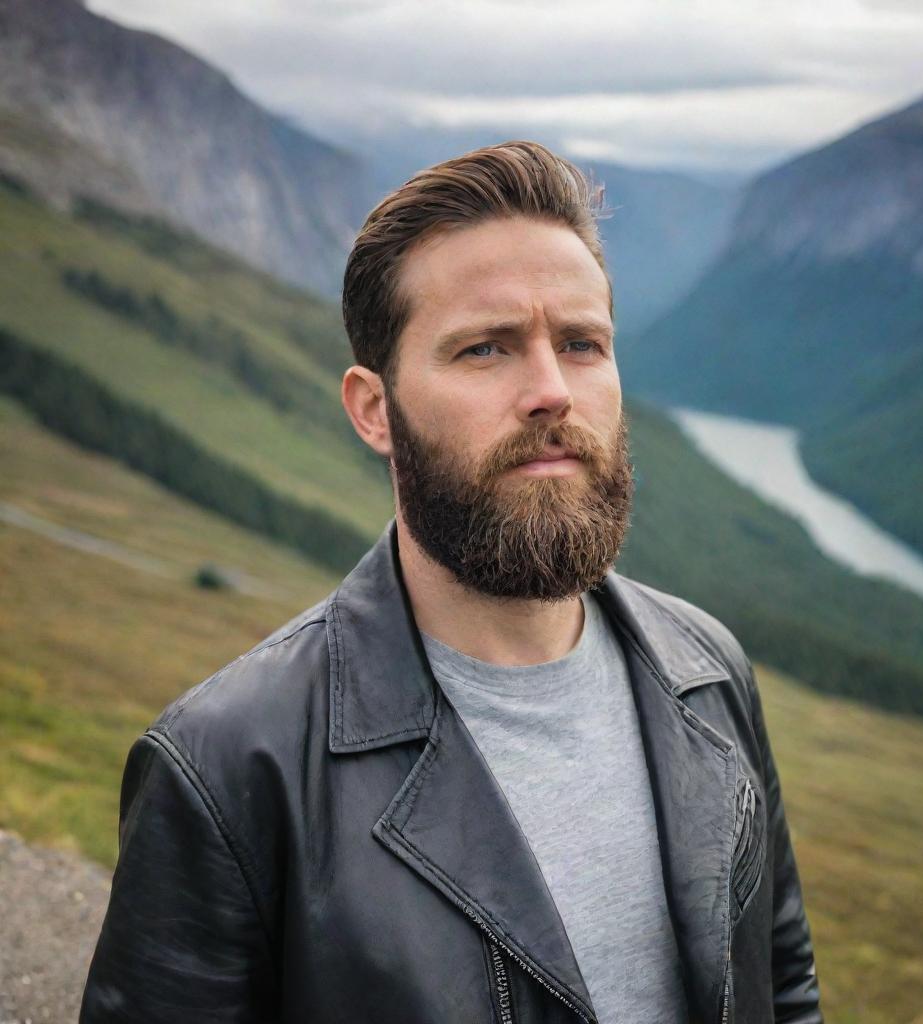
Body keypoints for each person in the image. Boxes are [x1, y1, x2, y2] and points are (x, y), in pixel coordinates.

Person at [80, 140, 822, 1023]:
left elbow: (784, 987)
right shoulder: (228, 768)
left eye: (583, 343)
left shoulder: (708, 672)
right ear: (373, 409)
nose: (551, 391)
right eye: (484, 350)